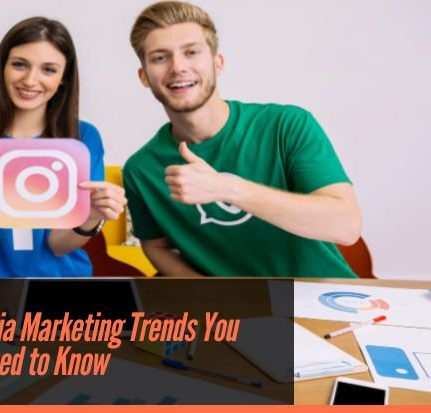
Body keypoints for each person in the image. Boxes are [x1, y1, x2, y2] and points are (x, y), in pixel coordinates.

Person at [123, 1, 361, 277]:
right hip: (235, 315)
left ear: (217, 63)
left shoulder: (287, 125)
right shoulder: (141, 169)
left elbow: (346, 226)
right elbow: (156, 248)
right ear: (144, 76)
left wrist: (227, 188)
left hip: (326, 302)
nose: (178, 67)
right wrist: (214, 296)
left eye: (191, 52)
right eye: (160, 57)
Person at [0, 17, 126, 278]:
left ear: (63, 78)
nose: (30, 80)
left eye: (48, 69)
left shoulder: (83, 138)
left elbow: (59, 246)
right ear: (2, 67)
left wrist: (92, 215)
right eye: (19, 65)